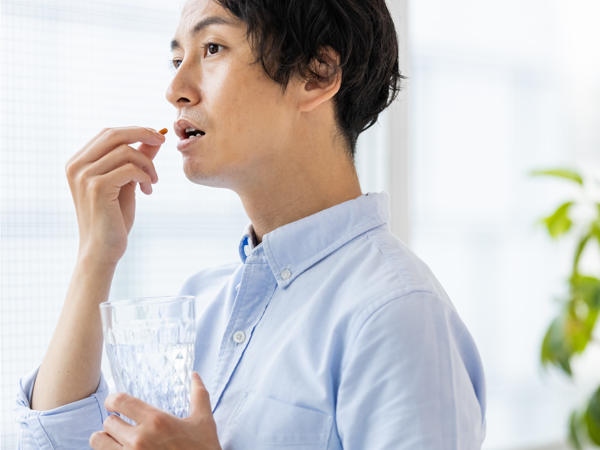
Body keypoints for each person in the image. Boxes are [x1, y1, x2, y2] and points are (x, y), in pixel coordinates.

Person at [15, 0, 487, 448]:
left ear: (316, 74)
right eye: (176, 57)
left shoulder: (396, 314)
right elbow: (62, 441)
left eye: (212, 48)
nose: (175, 88)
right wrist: (95, 258)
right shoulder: (202, 301)